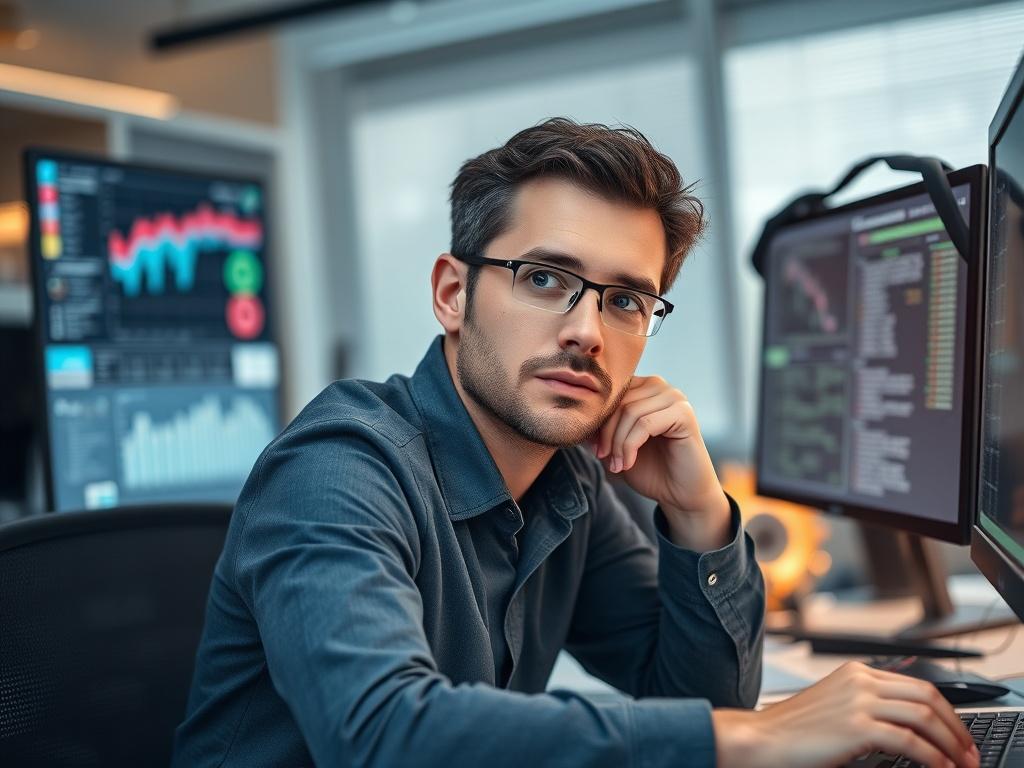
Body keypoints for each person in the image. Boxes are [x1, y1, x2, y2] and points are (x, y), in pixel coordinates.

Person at [172, 118, 979, 768]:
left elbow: (697, 700)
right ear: (454, 294)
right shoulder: (337, 469)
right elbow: (384, 736)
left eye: (626, 299)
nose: (588, 331)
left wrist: (699, 513)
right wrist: (759, 737)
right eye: (546, 279)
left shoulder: (566, 480)